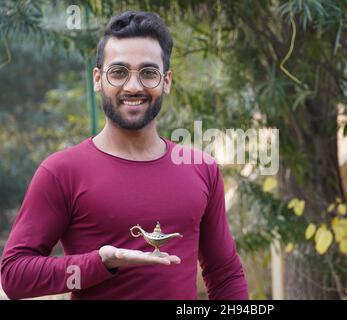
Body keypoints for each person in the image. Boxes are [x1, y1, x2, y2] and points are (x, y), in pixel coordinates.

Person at [0, 11, 248, 300]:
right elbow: (15, 276)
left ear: (166, 81)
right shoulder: (62, 171)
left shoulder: (200, 168)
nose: (133, 86)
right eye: (118, 72)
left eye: (148, 73)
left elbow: (225, 275)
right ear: (97, 79)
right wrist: (99, 263)